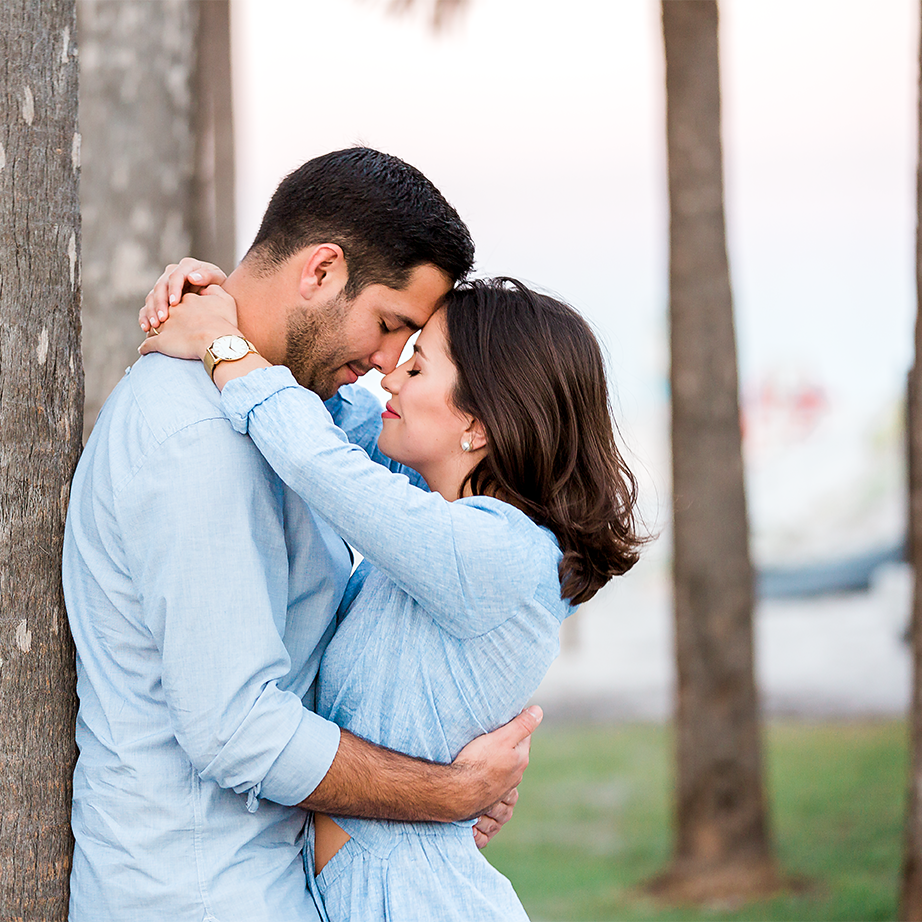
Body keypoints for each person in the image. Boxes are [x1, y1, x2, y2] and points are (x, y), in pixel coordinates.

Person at [61, 148, 538, 922]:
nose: (389, 366)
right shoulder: (197, 438)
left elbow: (441, 491)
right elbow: (238, 730)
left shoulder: (285, 413)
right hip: (197, 895)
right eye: (390, 326)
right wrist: (446, 793)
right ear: (320, 272)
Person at [138, 273, 645, 920]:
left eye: (418, 365)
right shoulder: (443, 523)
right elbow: (324, 411)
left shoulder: (496, 553)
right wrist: (224, 298)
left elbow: (316, 461)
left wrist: (221, 342)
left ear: (480, 422)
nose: (389, 379)